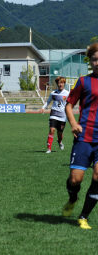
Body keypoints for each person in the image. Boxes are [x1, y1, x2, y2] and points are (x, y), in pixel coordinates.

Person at [62, 42, 98, 229]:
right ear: (90, 62)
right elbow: (68, 104)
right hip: (84, 137)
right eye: (94, 59)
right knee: (76, 179)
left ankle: (83, 216)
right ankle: (72, 198)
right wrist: (74, 123)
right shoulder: (83, 81)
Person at [41, 76, 69, 153]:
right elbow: (48, 101)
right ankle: (49, 148)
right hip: (54, 113)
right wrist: (43, 107)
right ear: (57, 84)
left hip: (63, 116)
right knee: (52, 130)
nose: (60, 84)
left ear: (64, 84)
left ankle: (59, 142)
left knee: (60, 134)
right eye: (59, 83)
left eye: (62, 83)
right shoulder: (53, 93)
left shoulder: (67, 93)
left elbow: (70, 104)